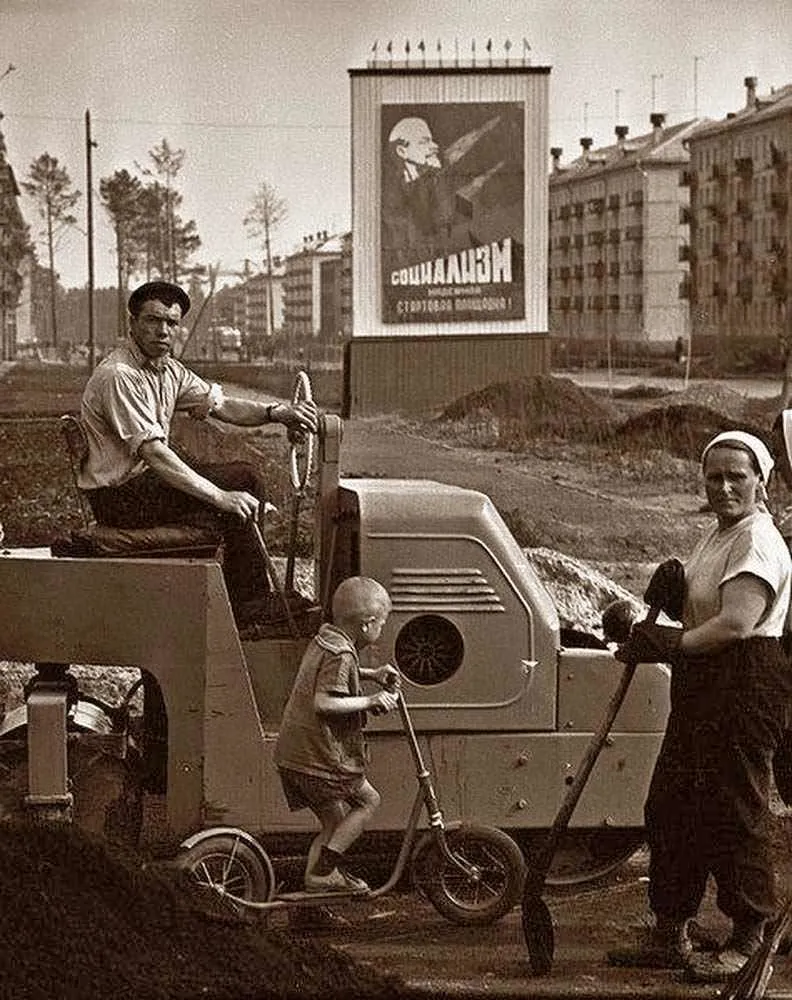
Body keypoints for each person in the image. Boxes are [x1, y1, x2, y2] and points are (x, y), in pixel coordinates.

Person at [608, 430, 792, 982]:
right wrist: (674, 592)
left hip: (744, 683)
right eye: (715, 477)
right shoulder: (719, 534)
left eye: (737, 476)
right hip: (703, 681)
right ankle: (670, 930)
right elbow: (707, 608)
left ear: (761, 482)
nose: (725, 487)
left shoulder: (758, 540)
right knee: (672, 805)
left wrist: (668, 643)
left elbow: (736, 624)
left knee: (732, 811)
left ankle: (749, 936)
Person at [78, 280, 319, 628]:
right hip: (118, 497)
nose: (163, 331)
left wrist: (277, 413)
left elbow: (222, 405)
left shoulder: (168, 370)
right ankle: (249, 602)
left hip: (140, 484)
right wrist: (221, 497)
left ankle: (244, 594)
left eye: (171, 323)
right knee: (241, 480)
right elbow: (154, 453)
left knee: (239, 478)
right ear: (132, 324)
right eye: (153, 320)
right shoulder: (119, 375)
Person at [274, 576, 400, 903]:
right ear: (367, 624)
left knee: (334, 822)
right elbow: (324, 702)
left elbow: (331, 673)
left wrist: (372, 674)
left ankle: (316, 886)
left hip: (294, 755)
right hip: (318, 758)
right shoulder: (342, 654)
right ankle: (324, 872)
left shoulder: (327, 638)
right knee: (368, 801)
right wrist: (371, 700)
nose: (382, 629)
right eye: (382, 623)